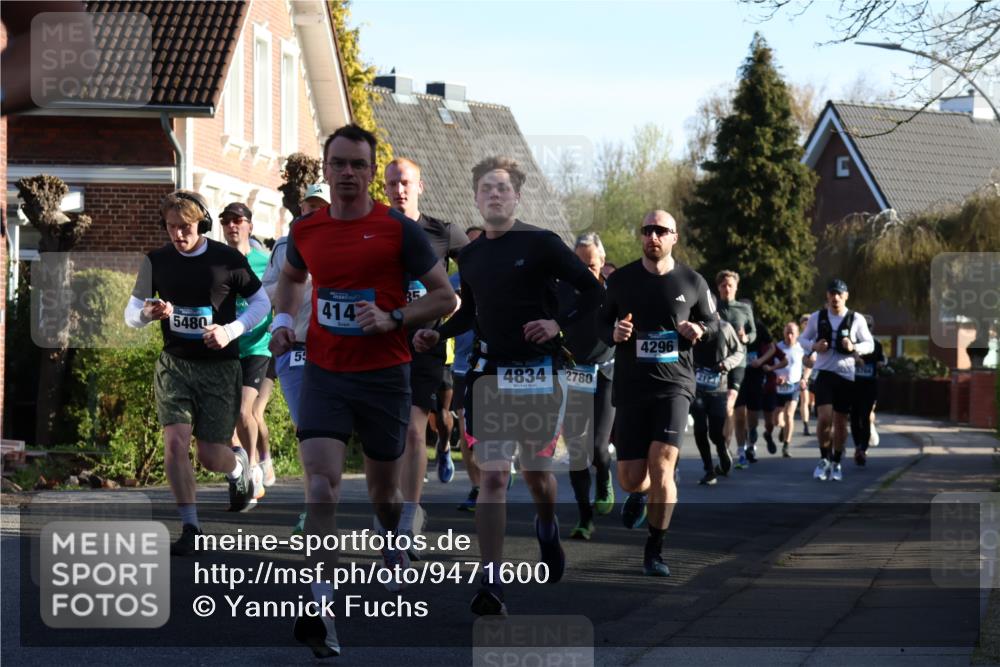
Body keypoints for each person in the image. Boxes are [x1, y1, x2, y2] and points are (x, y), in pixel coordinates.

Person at [269, 124, 456, 657]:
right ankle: (321, 607)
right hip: (326, 373)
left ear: (371, 174)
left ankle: (393, 539)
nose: (348, 173)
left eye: (358, 165)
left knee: (384, 495)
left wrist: (394, 315)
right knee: (322, 487)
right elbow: (292, 278)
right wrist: (285, 319)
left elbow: (444, 297)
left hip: (384, 376)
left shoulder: (398, 230)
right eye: (339, 164)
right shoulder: (307, 231)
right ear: (325, 171)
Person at [414, 156, 602, 616]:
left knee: (538, 477)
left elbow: (595, 293)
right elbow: (470, 312)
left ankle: (546, 525)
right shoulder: (472, 254)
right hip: (491, 373)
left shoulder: (541, 243)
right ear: (476, 198)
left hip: (540, 371)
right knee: (494, 476)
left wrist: (557, 323)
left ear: (517, 197)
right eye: (486, 189)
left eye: (503, 188)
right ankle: (492, 580)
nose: (494, 195)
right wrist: (439, 332)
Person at [124, 190, 270, 555]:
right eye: (172, 227)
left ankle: (237, 467)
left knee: (209, 456)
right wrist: (147, 314)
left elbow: (261, 303)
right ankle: (190, 527)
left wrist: (230, 330)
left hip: (219, 368)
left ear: (202, 223)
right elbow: (130, 315)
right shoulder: (156, 261)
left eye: (186, 226)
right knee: (174, 441)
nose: (178, 234)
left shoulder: (227, 259)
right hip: (175, 365)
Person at [600, 210, 719, 576]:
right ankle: (638, 494)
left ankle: (655, 549)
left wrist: (699, 328)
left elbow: (715, 323)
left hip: (675, 385)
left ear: (674, 237)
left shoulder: (692, 281)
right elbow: (600, 325)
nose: (653, 236)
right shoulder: (621, 281)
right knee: (631, 478)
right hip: (632, 386)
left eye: (660, 231)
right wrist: (614, 333)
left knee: (664, 462)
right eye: (647, 230)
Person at [383, 157, 468, 550]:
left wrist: (457, 301)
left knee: (415, 429)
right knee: (388, 435)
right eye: (391, 184)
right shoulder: (375, 228)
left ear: (420, 186)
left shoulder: (442, 231)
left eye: (405, 183)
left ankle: (408, 516)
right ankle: (391, 508)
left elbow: (476, 274)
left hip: (426, 343)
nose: (398, 190)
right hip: (382, 340)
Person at [262, 183, 330, 535]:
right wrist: (298, 283)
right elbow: (266, 291)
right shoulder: (287, 246)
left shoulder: (348, 241)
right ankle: (312, 507)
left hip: (335, 349)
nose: (314, 212)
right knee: (309, 431)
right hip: (297, 349)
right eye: (309, 206)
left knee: (331, 435)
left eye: (322, 206)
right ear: (300, 209)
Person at [560, 232, 616, 540]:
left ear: (603, 262)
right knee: (578, 450)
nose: (586, 272)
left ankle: (605, 476)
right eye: (580, 265)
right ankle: (585, 518)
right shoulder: (562, 291)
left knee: (597, 446)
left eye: (592, 265)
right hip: (572, 375)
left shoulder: (613, 293)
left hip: (605, 374)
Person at [221, 202, 274, 504]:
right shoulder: (216, 262)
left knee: (246, 412)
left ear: (249, 226)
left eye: (238, 220)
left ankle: (253, 467)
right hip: (226, 348)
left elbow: (279, 295)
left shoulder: (264, 263)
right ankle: (242, 467)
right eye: (226, 221)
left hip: (257, 346)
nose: (232, 226)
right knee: (226, 420)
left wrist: (278, 324)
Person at [799, 279, 874, 482]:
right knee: (824, 418)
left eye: (840, 294)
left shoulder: (855, 318)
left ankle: (837, 461)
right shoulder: (817, 317)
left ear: (846, 296)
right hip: (824, 373)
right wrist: (814, 346)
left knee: (840, 423)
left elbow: (870, 344)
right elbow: (802, 339)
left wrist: (854, 346)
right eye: (832, 293)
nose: (836, 297)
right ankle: (824, 458)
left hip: (846, 376)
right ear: (827, 296)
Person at [450, 226, 485, 512]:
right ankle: (476, 486)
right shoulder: (451, 282)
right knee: (466, 431)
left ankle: (498, 469)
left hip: (493, 364)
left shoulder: (498, 280)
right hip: (462, 366)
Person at [691, 317, 743, 485]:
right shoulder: (692, 326)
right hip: (696, 388)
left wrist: (725, 364)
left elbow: (739, 352)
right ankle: (708, 469)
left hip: (718, 388)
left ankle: (722, 450)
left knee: (715, 432)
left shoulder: (725, 327)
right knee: (699, 429)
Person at [714, 271, 755, 461]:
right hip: (718, 363)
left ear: (736, 287)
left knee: (735, 410)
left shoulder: (744, 309)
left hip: (738, 362)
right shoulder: (713, 308)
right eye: (723, 285)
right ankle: (726, 451)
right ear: (718, 288)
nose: (727, 289)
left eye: (730, 285)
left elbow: (753, 333)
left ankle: (739, 449)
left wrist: (745, 338)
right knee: (726, 409)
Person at [851, 314, 886, 466]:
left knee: (865, 417)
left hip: (869, 386)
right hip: (852, 385)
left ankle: (863, 449)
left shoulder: (876, 344)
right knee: (853, 417)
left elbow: (882, 360)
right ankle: (858, 445)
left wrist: (880, 365)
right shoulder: (853, 345)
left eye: (869, 327)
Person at [773, 321, 805, 457]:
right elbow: (770, 365)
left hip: (794, 385)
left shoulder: (801, 348)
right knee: (776, 419)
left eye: (792, 333)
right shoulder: (776, 348)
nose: (790, 335)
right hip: (778, 386)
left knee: (789, 414)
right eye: (788, 332)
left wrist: (805, 378)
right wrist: (776, 377)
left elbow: (808, 365)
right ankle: (782, 427)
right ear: (784, 333)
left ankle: (786, 445)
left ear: (797, 334)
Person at [798, 314, 815, 435]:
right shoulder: (798, 340)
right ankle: (806, 425)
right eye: (805, 322)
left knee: (808, 399)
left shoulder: (815, 339)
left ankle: (809, 416)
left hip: (814, 372)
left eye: (809, 322)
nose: (807, 324)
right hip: (799, 372)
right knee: (804, 397)